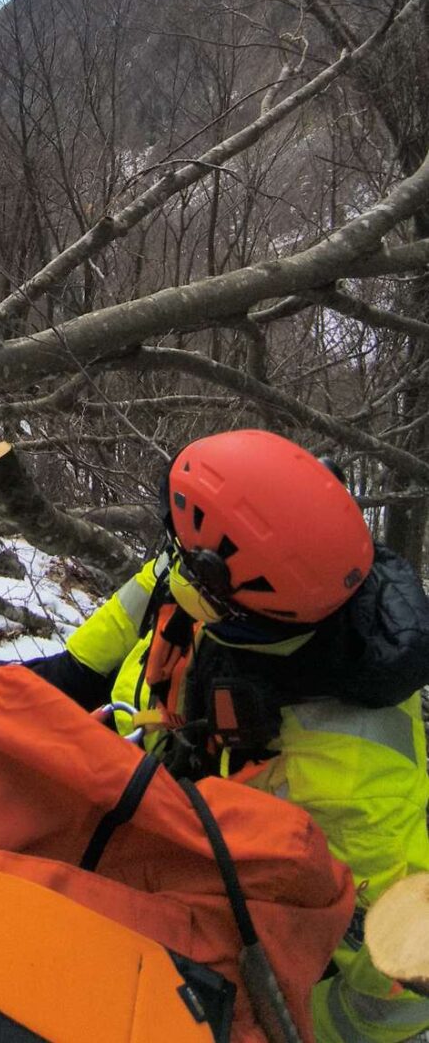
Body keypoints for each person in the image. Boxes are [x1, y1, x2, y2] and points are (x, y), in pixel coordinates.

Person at [29, 428, 429, 1043]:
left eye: (182, 559)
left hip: (232, 943)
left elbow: (399, 997)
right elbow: (119, 628)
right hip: (153, 817)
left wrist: (265, 1024)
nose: (168, 564)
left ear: (223, 592)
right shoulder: (234, 584)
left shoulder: (349, 785)